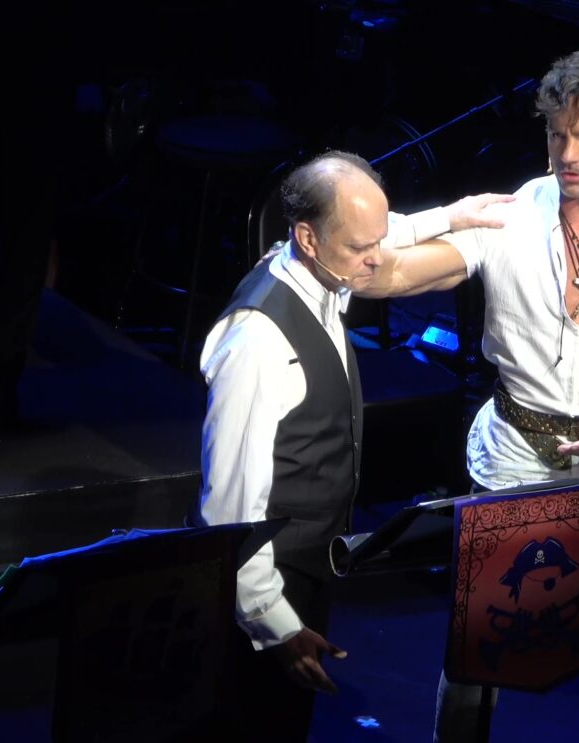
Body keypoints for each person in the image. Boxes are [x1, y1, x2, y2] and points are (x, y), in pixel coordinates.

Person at [353, 49, 579, 742]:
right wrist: (427, 221)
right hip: (516, 463)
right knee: (475, 656)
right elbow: (385, 276)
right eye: (557, 135)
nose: (568, 153)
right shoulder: (510, 217)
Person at [194, 150, 512, 741]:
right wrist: (275, 625)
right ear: (307, 238)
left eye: (377, 238)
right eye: (361, 247)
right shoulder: (258, 343)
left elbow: (378, 232)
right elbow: (230, 512)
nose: (377, 259)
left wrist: (452, 216)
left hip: (312, 562)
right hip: (270, 580)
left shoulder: (319, 267)